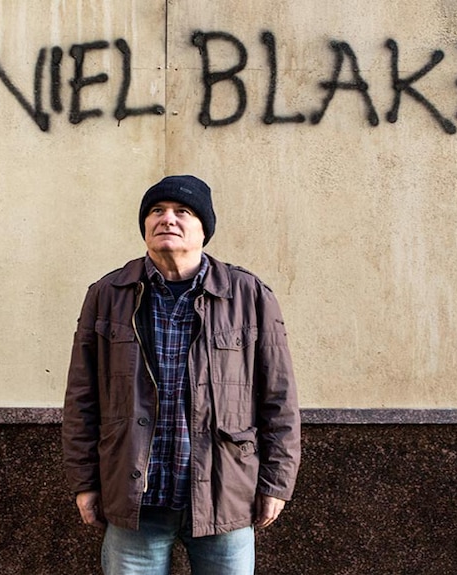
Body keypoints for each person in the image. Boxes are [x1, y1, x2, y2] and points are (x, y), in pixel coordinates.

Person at [62, 175, 300, 574]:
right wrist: (84, 482)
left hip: (225, 493)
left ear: (203, 228)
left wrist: (276, 483)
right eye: (157, 211)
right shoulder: (108, 294)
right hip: (136, 497)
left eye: (182, 212)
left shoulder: (249, 295)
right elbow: (81, 398)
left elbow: (278, 398)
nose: (167, 219)